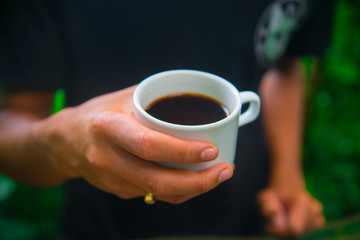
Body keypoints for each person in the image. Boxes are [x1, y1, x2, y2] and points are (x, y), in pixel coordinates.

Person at [0, 0, 335, 239]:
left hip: (246, 220)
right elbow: (11, 122)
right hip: (103, 225)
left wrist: (287, 173)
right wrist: (68, 142)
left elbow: (285, 60)